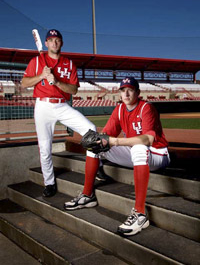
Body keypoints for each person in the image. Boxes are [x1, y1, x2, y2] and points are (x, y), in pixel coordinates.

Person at [64, 77, 170, 236]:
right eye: (123, 90)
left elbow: (148, 140)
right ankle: (88, 195)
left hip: (157, 154)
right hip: (134, 153)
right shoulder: (119, 109)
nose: (126, 93)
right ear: (120, 93)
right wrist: (97, 139)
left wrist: (116, 141)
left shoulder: (146, 108)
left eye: (130, 89)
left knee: (139, 148)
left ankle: (140, 214)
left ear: (138, 92)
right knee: (95, 146)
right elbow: (106, 136)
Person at [21, 29, 103, 197]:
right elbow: (23, 83)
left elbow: (73, 90)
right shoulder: (37, 61)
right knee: (44, 148)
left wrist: (56, 82)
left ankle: (97, 166)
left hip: (61, 105)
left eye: (57, 39)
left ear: (61, 43)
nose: (54, 42)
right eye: (51, 40)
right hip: (43, 106)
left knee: (91, 129)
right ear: (46, 43)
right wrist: (41, 76)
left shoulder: (69, 63)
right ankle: (49, 182)